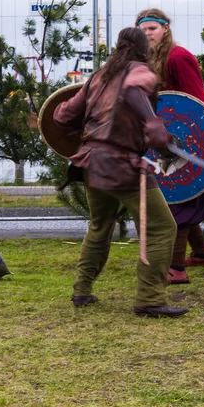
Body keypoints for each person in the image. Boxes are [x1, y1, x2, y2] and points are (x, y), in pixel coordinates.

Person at [53, 27, 188, 318]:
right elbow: (135, 98)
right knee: (161, 227)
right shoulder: (141, 73)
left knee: (100, 225)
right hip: (122, 165)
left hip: (90, 163)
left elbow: (61, 115)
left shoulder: (99, 77)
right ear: (145, 51)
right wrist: (160, 135)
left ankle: (82, 291)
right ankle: (150, 299)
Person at [135, 8, 204, 285]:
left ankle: (176, 269)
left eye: (152, 29)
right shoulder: (148, 59)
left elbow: (196, 104)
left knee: (179, 205)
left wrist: (195, 144)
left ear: (166, 28)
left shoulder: (178, 57)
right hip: (165, 141)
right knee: (181, 197)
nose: (148, 35)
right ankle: (202, 255)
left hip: (190, 142)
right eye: (143, 31)